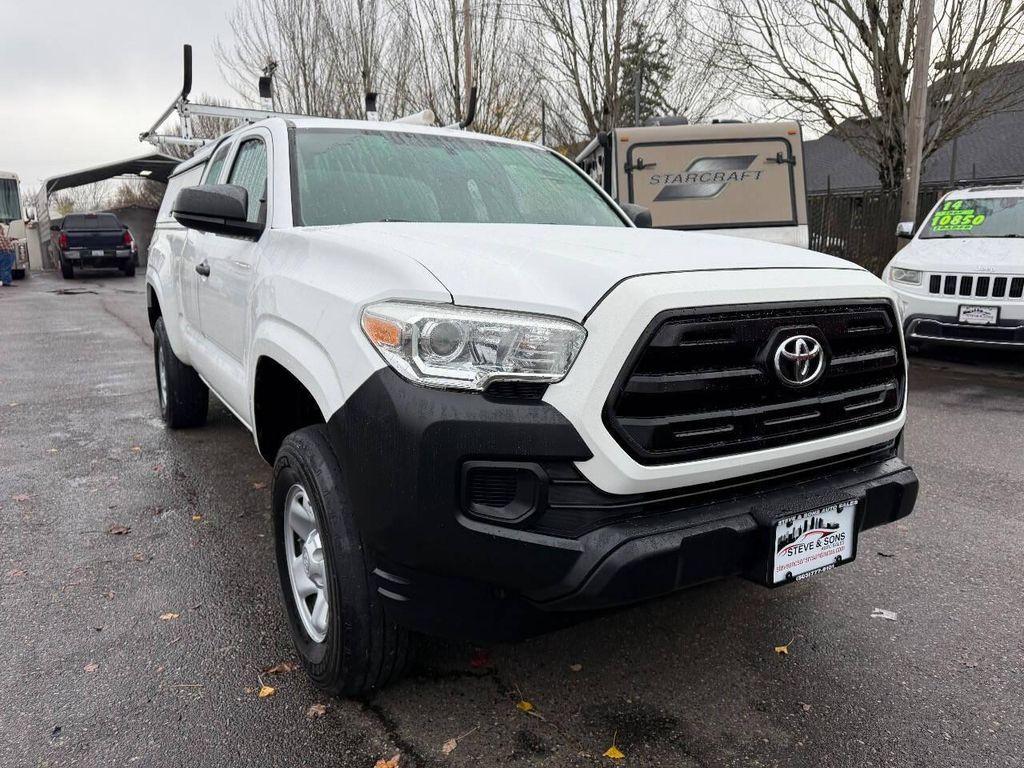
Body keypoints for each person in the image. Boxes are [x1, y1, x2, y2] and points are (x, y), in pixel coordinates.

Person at [0, 223, 16, 287]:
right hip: (6, 253)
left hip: (6, 253)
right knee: (5, 268)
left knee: (5, 268)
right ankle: (6, 282)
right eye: (2, 229)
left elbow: (8, 239)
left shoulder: (3, 236)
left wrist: (12, 238)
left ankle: (6, 281)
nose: (3, 230)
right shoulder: (1, 236)